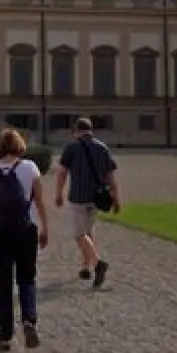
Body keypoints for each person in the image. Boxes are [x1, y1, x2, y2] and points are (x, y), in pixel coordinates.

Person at [0, 129, 49, 352]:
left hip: (0, 231)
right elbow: (39, 202)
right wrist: (45, 228)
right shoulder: (30, 168)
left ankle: (5, 334)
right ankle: (29, 319)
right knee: (27, 278)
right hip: (25, 229)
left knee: (3, 282)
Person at [55, 117, 120, 289]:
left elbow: (62, 173)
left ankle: (98, 264)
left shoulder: (72, 147)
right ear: (91, 130)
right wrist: (116, 198)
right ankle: (86, 267)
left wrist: (58, 193)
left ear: (76, 130)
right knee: (87, 231)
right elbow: (110, 176)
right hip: (97, 197)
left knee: (78, 233)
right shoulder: (102, 147)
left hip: (78, 196)